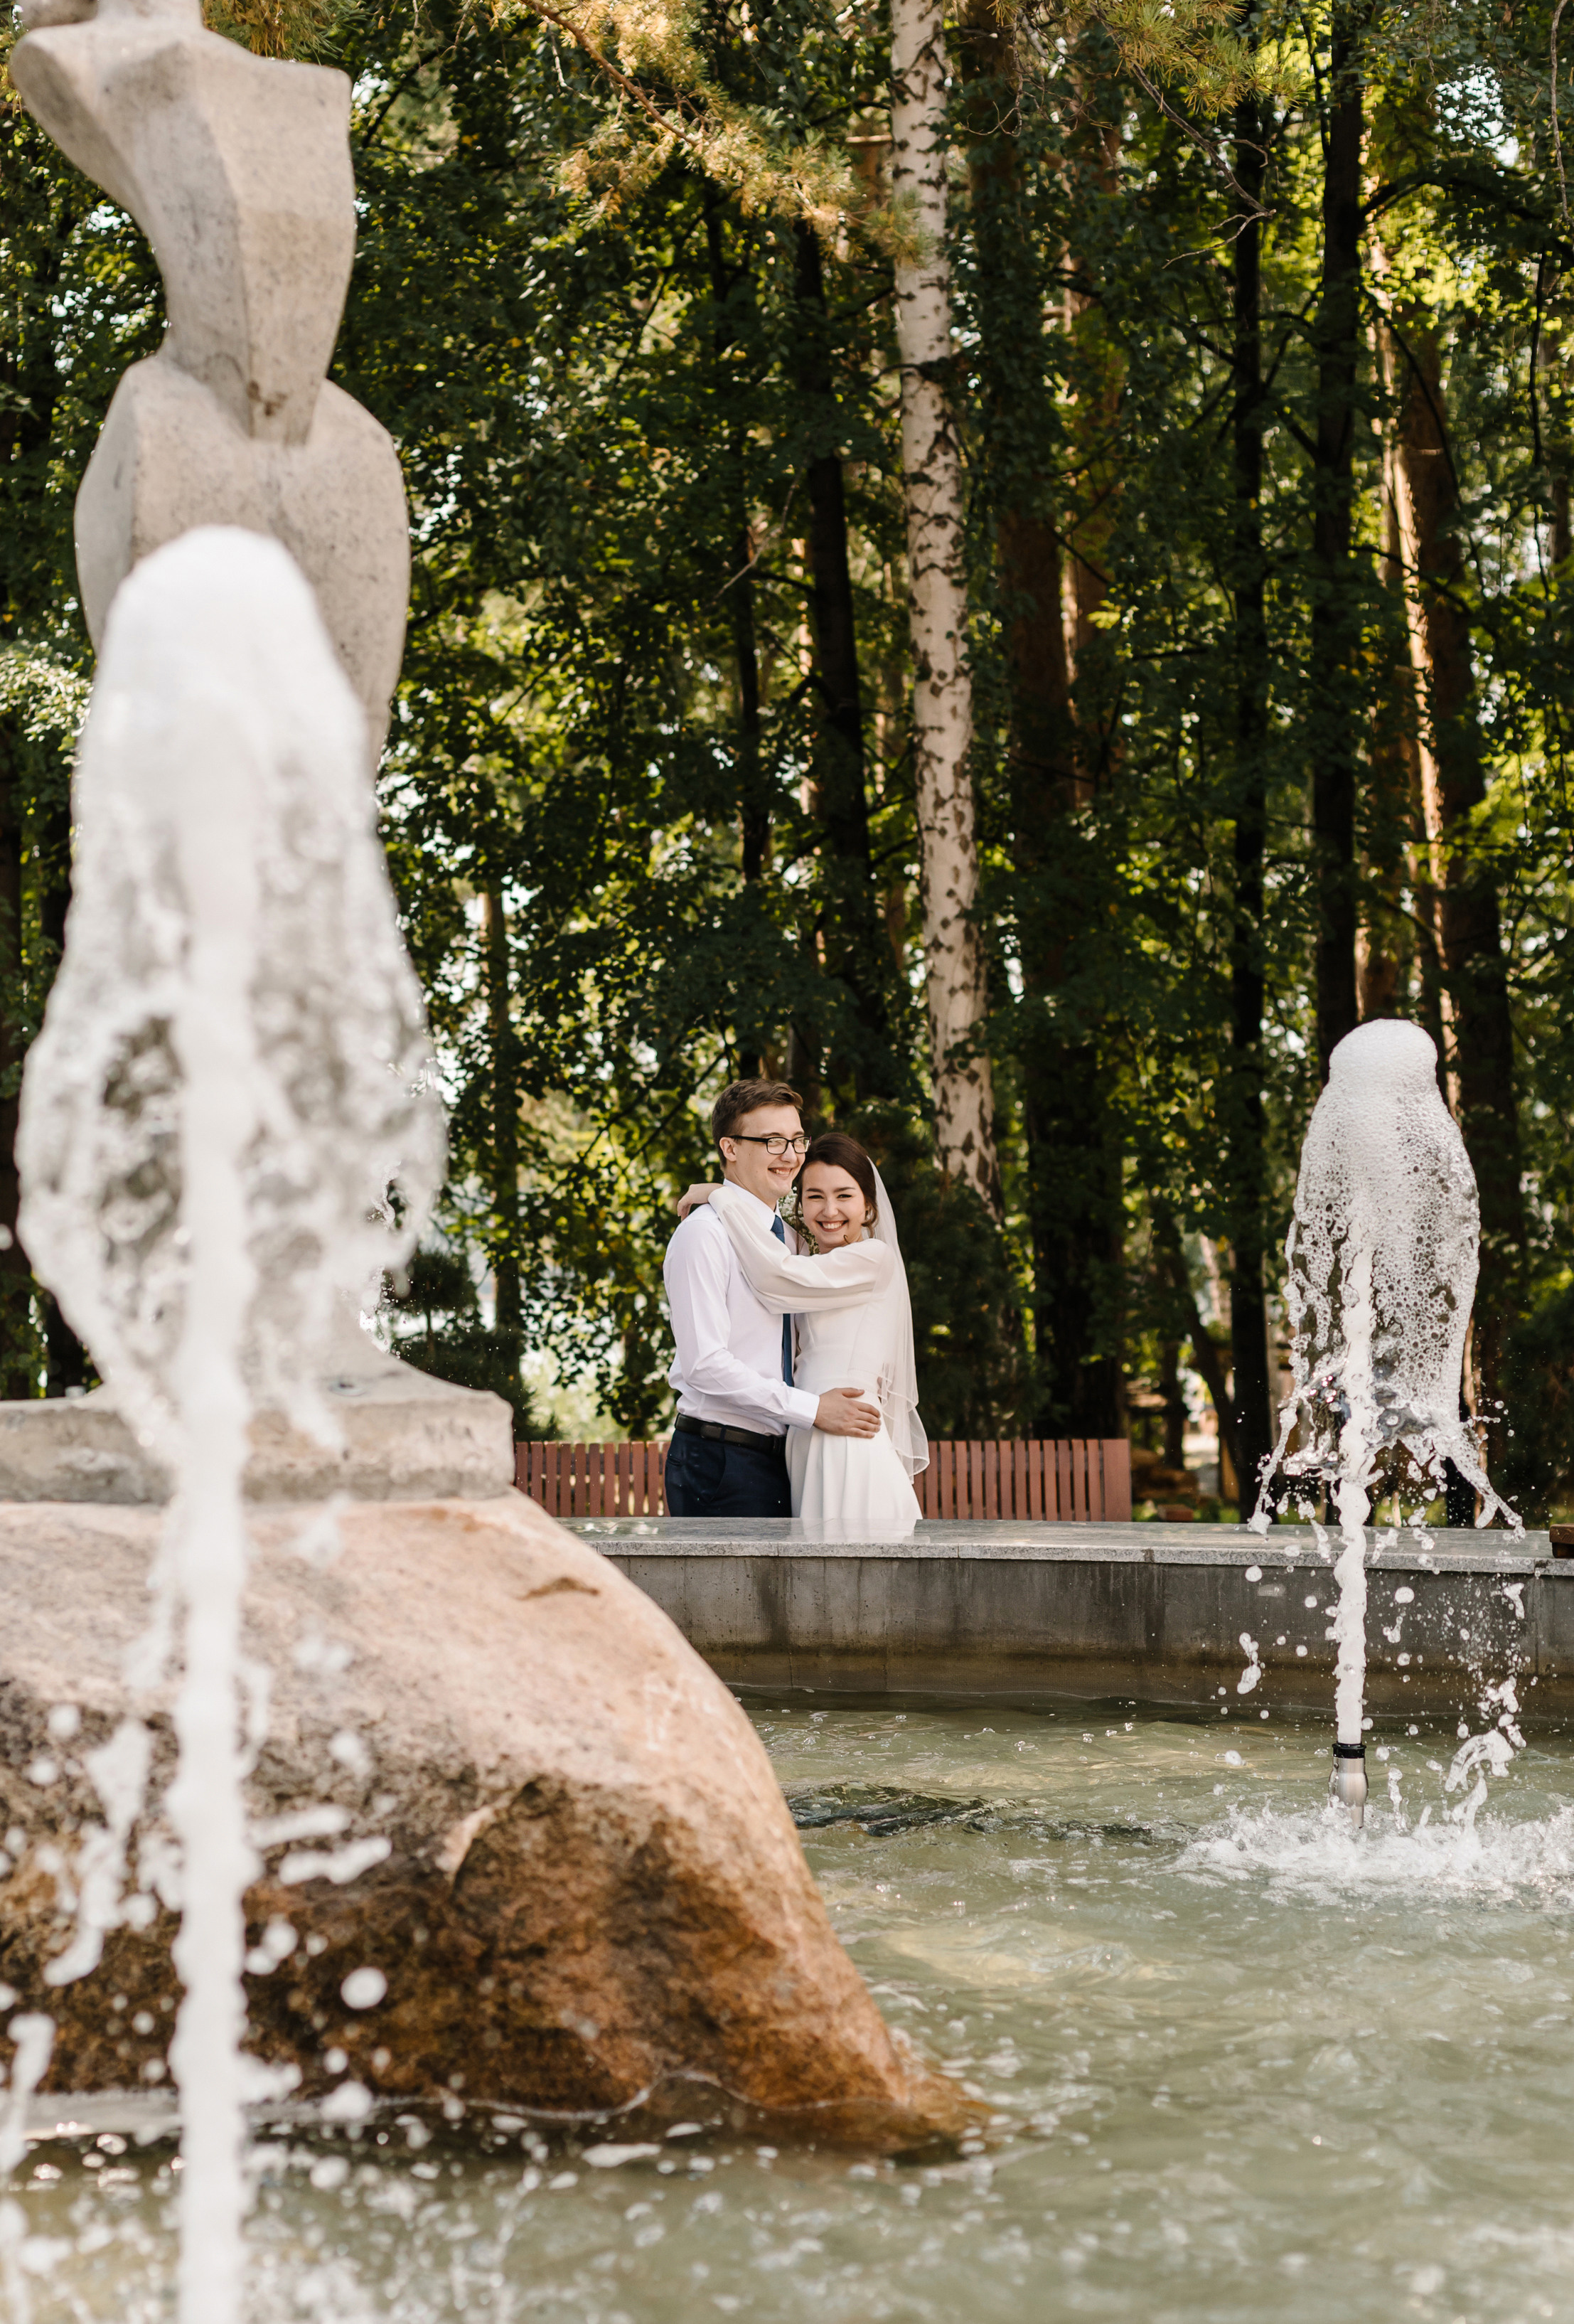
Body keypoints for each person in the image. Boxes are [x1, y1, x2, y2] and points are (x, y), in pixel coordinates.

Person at [680, 1131, 928, 1536]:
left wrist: (722, 1197)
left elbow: (775, 1276)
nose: (829, 1210)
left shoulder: (872, 1258)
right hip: (810, 1428)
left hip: (847, 1431)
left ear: (869, 1205)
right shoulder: (813, 1259)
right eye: (815, 1196)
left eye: (844, 1196)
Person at [662, 1081, 882, 1518]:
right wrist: (813, 1409)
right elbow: (704, 1364)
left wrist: (718, 1191)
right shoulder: (703, 1235)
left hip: (786, 1455)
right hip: (721, 1455)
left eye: (797, 1140)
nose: (791, 1155)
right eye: (772, 1141)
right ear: (729, 1147)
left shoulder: (790, 1242)